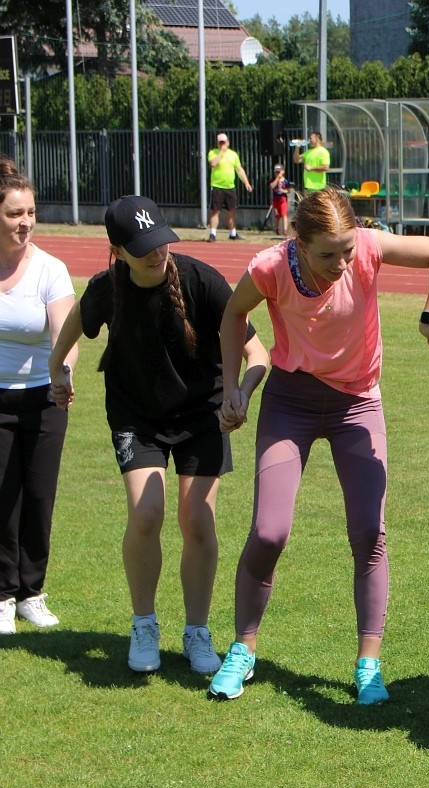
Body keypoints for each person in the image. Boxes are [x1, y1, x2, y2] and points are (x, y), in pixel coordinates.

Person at [209, 187, 429, 703]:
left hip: (358, 406)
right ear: (297, 242)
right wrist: (232, 386)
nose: (342, 263)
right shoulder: (269, 266)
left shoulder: (367, 248)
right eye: (328, 253)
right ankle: (243, 648)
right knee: (268, 531)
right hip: (290, 402)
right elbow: (233, 316)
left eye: (346, 250)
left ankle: (368, 663)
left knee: (369, 531)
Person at [47, 195, 269, 673]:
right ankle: (144, 624)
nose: (157, 252)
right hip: (136, 416)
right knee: (147, 514)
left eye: (161, 241)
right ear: (117, 249)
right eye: (143, 246)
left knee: (197, 520)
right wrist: (58, 370)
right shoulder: (108, 288)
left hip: (201, 415)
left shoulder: (201, 281)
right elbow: (70, 331)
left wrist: (239, 393)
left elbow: (259, 354)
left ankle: (197, 632)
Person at [0, 159, 75, 634]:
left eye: (30, 212)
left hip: (45, 399)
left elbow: (65, 333)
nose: (25, 221)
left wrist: (63, 377)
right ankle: (3, 594)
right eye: (13, 214)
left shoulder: (51, 269)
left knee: (39, 497)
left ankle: (32, 592)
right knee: (2, 498)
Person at [207, 132, 253, 242]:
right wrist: (221, 153)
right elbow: (213, 163)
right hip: (217, 186)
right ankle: (212, 234)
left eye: (224, 142)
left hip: (230, 187)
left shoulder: (233, 154)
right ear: (218, 143)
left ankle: (233, 233)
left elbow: (239, 169)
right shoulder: (213, 152)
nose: (222, 144)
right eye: (220, 142)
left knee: (231, 211)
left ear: (228, 142)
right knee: (215, 211)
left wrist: (246, 182)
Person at [292, 130, 331, 195]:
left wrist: (311, 168)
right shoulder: (309, 151)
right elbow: (296, 160)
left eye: (311, 138)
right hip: (307, 187)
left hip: (318, 188)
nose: (309, 141)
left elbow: (326, 167)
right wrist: (297, 147)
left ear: (317, 138)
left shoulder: (323, 152)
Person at [269, 164, 291, 238]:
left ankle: (285, 230)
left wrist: (283, 191)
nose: (277, 174)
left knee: (284, 214)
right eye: (276, 172)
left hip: (283, 199)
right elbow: (272, 186)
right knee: (277, 215)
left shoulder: (285, 181)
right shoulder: (274, 180)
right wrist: (277, 178)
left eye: (279, 172)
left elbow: (289, 190)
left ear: (283, 172)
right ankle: (277, 229)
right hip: (275, 199)